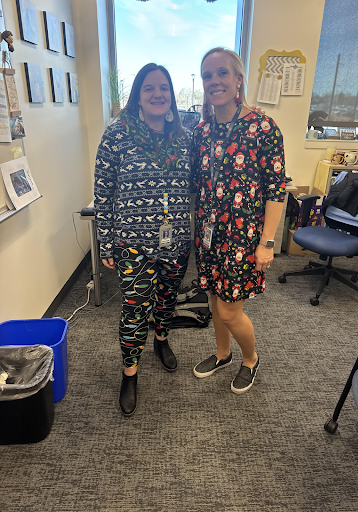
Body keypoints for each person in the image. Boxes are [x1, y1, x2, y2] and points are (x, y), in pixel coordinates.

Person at [94, 63, 191, 416]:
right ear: (137, 95)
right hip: (131, 242)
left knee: (166, 299)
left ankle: (161, 340)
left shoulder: (183, 136)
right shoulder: (116, 134)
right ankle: (129, 373)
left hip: (175, 239)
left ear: (171, 95)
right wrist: (106, 243)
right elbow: (102, 193)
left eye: (164, 87)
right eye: (149, 88)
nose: (157, 94)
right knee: (135, 309)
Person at [191, 47, 286, 394]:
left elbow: (276, 189)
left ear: (238, 79)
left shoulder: (263, 127)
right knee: (215, 301)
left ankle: (250, 358)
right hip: (209, 234)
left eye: (221, 73)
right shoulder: (202, 132)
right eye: (207, 76)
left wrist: (267, 242)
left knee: (231, 311)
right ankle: (222, 354)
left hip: (244, 238)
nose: (214, 81)